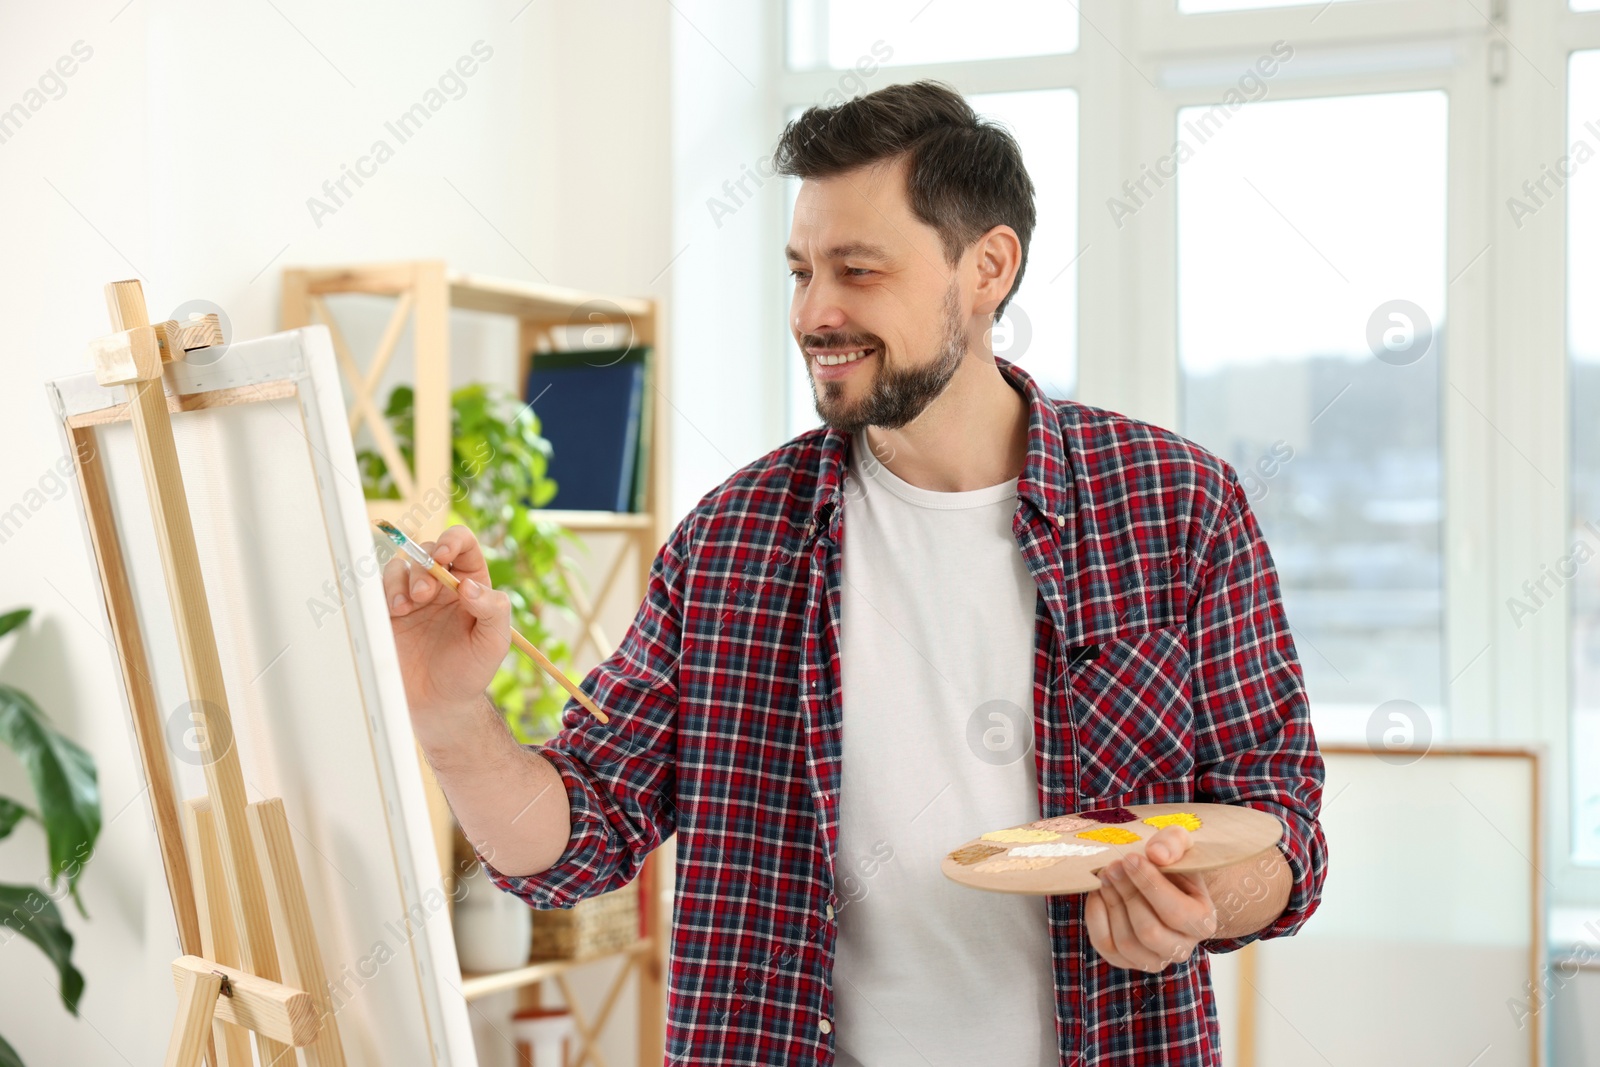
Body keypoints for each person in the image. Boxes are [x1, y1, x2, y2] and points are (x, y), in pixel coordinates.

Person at [384, 79, 1328, 1066]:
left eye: (857, 270)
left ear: (987, 267)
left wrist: (1199, 903)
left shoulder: (1174, 506)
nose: (814, 311)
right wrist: (453, 719)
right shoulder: (733, 540)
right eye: (799, 271)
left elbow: (1282, 822)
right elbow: (582, 836)